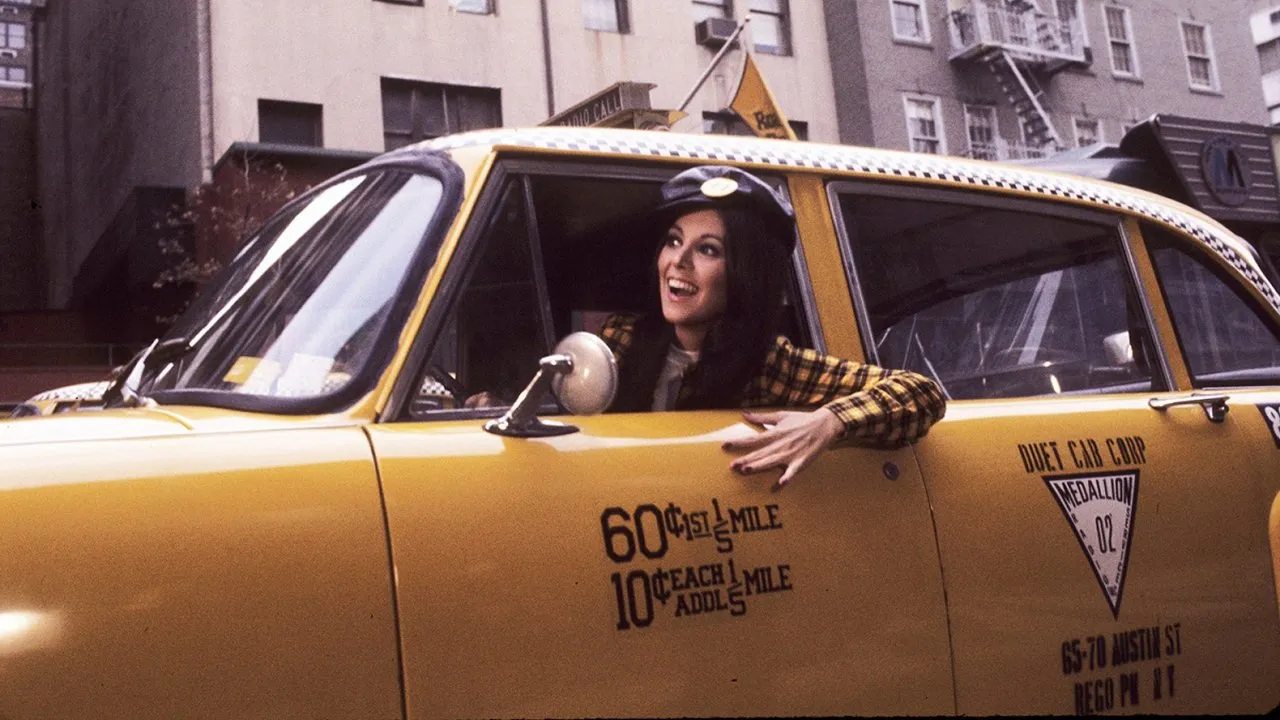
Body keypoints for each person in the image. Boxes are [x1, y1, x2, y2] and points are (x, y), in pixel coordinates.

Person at [598, 165, 946, 489]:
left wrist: (828, 422)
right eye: (674, 241)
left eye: (707, 250)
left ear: (745, 272)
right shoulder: (620, 339)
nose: (678, 260)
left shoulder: (770, 364)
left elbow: (921, 393)